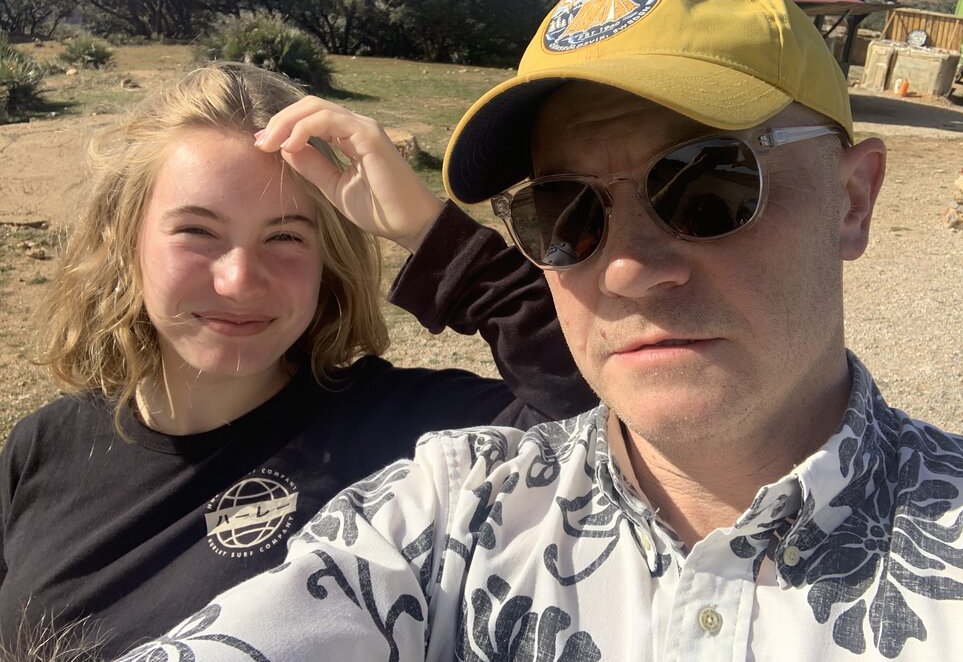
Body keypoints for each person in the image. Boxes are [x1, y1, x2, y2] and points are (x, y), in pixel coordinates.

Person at [116, 0, 963, 661]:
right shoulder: (447, 514)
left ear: (852, 200)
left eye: (706, 185)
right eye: (563, 213)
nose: (623, 270)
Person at [0, 62, 596, 659]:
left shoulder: (406, 437)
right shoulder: (41, 448)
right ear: (125, 242)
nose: (238, 281)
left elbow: (609, 416)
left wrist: (427, 227)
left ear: (325, 260)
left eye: (285, 237)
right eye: (197, 232)